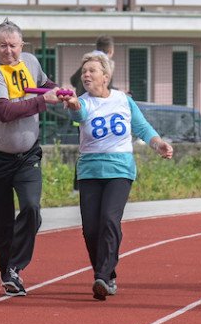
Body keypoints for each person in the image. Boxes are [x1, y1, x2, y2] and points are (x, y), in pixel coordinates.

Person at [61, 52, 174, 300]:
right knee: (90, 229)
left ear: (106, 76)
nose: (87, 75)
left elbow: (143, 127)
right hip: (90, 170)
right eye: (84, 72)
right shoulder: (82, 102)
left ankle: (102, 276)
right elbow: (78, 114)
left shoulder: (123, 100)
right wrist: (73, 106)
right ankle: (106, 275)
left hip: (119, 169)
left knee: (109, 220)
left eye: (92, 70)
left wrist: (158, 144)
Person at [0, 19, 67, 296]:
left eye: (13, 45)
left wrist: (63, 92)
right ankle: (7, 270)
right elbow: (4, 111)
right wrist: (43, 101)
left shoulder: (30, 61)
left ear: (22, 45)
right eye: (2, 45)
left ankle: (15, 267)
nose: (9, 51)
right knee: (1, 222)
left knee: (31, 208)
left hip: (27, 156)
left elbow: (45, 84)